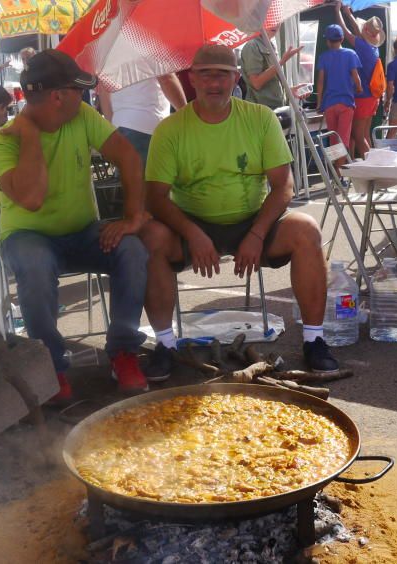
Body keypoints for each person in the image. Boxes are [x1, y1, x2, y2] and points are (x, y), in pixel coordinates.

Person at [139, 45, 340, 380]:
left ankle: (314, 339)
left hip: (253, 219)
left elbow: (283, 187)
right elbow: (155, 198)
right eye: (205, 74)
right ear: (192, 79)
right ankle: (165, 344)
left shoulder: (260, 118)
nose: (214, 82)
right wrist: (193, 233)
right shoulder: (170, 129)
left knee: (307, 229)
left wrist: (257, 233)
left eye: (222, 74)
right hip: (192, 224)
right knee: (150, 237)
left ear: (236, 77)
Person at [0, 49, 151, 402]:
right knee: (34, 264)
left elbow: (129, 159)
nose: (85, 96)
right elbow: (31, 199)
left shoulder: (82, 116)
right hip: (28, 236)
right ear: (59, 96)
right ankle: (52, 367)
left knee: (131, 249)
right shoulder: (0, 143)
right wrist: (30, 136)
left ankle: (123, 352)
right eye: (79, 90)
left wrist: (133, 217)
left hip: (82, 232)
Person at [97, 75, 186, 166]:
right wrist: (188, 115)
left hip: (120, 128)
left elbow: (103, 91)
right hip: (150, 127)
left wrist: (113, 129)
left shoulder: (105, 60)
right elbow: (167, 79)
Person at [333, 4, 385, 158]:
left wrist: (338, 12)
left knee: (357, 136)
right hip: (373, 98)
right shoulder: (373, 48)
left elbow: (347, 32)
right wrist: (348, 14)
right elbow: (357, 31)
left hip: (363, 98)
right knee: (365, 134)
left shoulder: (363, 47)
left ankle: (371, 166)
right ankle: (368, 164)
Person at [316, 24, 362, 166]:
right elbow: (356, 77)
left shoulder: (324, 57)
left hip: (329, 103)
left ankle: (335, 172)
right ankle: (339, 172)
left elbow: (320, 82)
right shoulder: (351, 54)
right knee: (343, 138)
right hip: (346, 103)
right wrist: (359, 89)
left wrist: (319, 102)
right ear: (342, 38)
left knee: (333, 138)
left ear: (328, 41)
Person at [239, 28, 302, 109]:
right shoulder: (252, 46)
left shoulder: (270, 45)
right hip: (260, 109)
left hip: (275, 107)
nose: (275, 24)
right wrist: (282, 61)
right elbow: (256, 83)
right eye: (270, 20)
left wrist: (288, 91)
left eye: (277, 20)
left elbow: (272, 82)